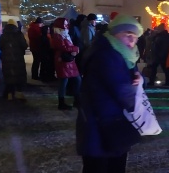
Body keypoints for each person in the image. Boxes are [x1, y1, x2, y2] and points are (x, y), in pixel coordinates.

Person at [76, 14, 144, 173]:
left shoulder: (122, 54)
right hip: (102, 126)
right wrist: (138, 91)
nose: (132, 41)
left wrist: (140, 80)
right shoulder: (107, 55)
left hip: (110, 124)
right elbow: (122, 90)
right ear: (115, 34)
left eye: (135, 37)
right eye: (128, 35)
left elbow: (134, 79)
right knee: (101, 167)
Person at [51, 18, 81, 110]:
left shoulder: (63, 34)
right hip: (64, 61)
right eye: (65, 24)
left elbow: (66, 47)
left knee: (74, 80)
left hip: (68, 60)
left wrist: (73, 50)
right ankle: (63, 103)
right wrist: (75, 49)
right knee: (65, 82)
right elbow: (63, 47)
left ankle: (74, 101)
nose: (67, 25)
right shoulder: (58, 36)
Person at [0, 19, 28, 101]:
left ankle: (9, 94)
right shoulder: (19, 34)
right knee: (19, 75)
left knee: (9, 75)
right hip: (18, 59)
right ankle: (19, 93)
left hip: (6, 59)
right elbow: (24, 45)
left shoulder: (3, 35)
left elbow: (0, 46)